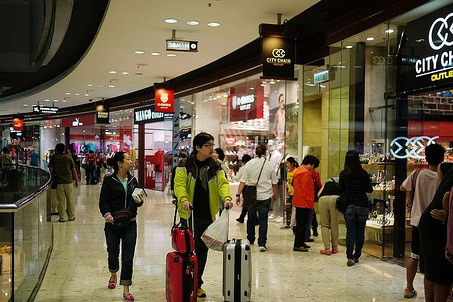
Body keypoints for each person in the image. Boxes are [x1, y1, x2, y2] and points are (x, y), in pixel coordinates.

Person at [174, 132, 233, 298]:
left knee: (202, 249)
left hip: (207, 214)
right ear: (198, 147)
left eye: (212, 145)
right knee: (187, 249)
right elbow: (179, 185)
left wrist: (227, 198)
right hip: (188, 212)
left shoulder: (215, 165)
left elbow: (222, 184)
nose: (211, 148)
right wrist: (184, 199)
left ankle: (197, 283)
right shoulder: (185, 164)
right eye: (208, 145)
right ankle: (186, 282)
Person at [400, 143, 445, 298]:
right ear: (442, 159)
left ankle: (409, 287)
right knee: (436, 259)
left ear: (426, 157)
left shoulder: (417, 173)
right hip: (435, 221)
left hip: (417, 219)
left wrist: (412, 195)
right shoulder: (443, 178)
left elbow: (402, 187)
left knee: (415, 254)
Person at [99, 152, 143, 301]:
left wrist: (139, 200)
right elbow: (103, 201)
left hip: (130, 223)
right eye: (128, 159)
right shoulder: (109, 180)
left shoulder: (132, 180)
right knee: (113, 253)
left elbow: (139, 199)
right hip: (113, 223)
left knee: (128, 257)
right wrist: (106, 214)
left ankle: (126, 289)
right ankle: (113, 274)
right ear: (119, 163)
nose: (131, 161)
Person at [418, 162, 453, 302]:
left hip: (429, 220)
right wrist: (446, 211)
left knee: (431, 270)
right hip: (438, 223)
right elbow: (447, 195)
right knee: (441, 274)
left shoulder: (448, 168)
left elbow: (441, 168)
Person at [236, 143, 278, 252]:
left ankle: (250, 240)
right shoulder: (269, 165)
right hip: (265, 196)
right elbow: (274, 182)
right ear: (265, 152)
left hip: (251, 196)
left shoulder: (249, 164)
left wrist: (238, 195)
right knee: (263, 219)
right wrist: (275, 194)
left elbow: (243, 181)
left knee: (251, 218)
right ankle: (262, 243)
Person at [339, 150, 373, 266]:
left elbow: (341, 189)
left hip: (350, 205)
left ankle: (350, 257)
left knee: (350, 232)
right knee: (360, 232)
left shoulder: (344, 174)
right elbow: (369, 189)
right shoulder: (363, 173)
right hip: (363, 205)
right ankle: (357, 255)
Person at [292, 155, 319, 252]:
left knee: (301, 224)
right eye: (313, 166)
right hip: (304, 203)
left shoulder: (299, 171)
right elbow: (306, 189)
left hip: (299, 201)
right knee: (302, 224)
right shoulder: (305, 173)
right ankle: (298, 244)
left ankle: (301, 242)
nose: (313, 168)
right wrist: (309, 200)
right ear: (311, 164)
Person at [49, 143, 79, 222]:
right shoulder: (68, 157)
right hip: (69, 182)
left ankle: (62, 218)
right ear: (64, 149)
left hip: (59, 182)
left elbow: (51, 170)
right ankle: (71, 216)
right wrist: (76, 180)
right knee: (70, 200)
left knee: (61, 200)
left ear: (56, 149)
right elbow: (73, 170)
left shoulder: (53, 158)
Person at [318, 177, 340, 255]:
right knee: (335, 225)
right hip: (335, 199)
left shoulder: (328, 181)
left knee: (324, 225)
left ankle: (327, 248)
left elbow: (318, 194)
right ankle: (335, 248)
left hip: (323, 199)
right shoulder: (343, 180)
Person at [235, 154, 252, 223]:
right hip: (252, 186)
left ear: (243, 161)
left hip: (245, 187)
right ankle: (242, 217)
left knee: (246, 203)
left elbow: (237, 178)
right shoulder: (252, 167)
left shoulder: (243, 168)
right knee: (249, 203)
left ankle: (243, 218)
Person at [284, 157, 298, 227]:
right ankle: (288, 222)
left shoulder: (296, 171)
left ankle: (294, 222)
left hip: (295, 192)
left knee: (294, 208)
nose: (287, 164)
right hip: (289, 191)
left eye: (288, 163)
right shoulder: (288, 171)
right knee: (288, 207)